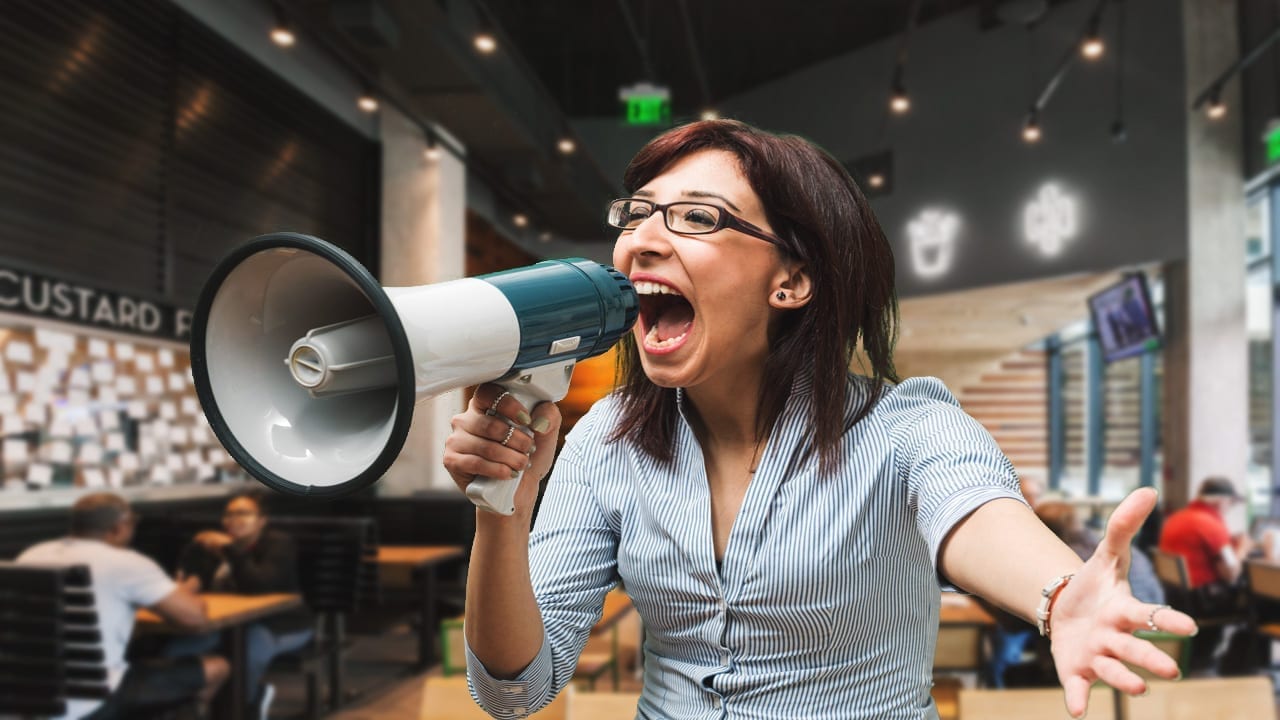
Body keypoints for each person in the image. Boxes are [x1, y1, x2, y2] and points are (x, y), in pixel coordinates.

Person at [444, 120, 1194, 720]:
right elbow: (515, 694)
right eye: (635, 214)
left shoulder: (906, 427)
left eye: (695, 217)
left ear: (793, 280)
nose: (642, 237)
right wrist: (502, 510)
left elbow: (975, 511)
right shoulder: (604, 441)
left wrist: (1059, 592)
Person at [17, 492, 228, 720]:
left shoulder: (32, 554)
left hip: (28, 696)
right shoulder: (127, 564)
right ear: (119, 527)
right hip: (91, 700)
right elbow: (195, 619)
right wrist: (184, 594)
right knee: (217, 667)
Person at [170, 491, 313, 720]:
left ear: (261, 520)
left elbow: (259, 585)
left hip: (281, 624)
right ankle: (181, 710)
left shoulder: (277, 543)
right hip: (226, 625)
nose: (233, 519)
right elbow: (194, 582)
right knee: (178, 649)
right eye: (228, 514)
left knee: (248, 650)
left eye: (243, 513)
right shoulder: (215, 547)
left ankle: (244, 708)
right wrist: (193, 564)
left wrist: (231, 550)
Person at [1158, 477, 1250, 670]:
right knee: (1260, 604)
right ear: (1221, 501)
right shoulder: (1210, 524)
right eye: (1231, 503)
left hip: (1178, 597)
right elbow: (1231, 574)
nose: (1230, 508)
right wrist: (1242, 548)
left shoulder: (1178, 518)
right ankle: (1242, 668)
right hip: (1204, 602)